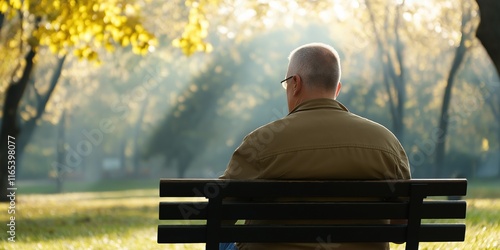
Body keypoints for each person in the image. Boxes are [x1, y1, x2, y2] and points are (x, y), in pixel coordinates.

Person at [219, 42, 411, 250]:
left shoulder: (261, 142)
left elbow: (220, 217)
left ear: (295, 83)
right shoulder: (386, 143)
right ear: (337, 89)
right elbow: (400, 230)